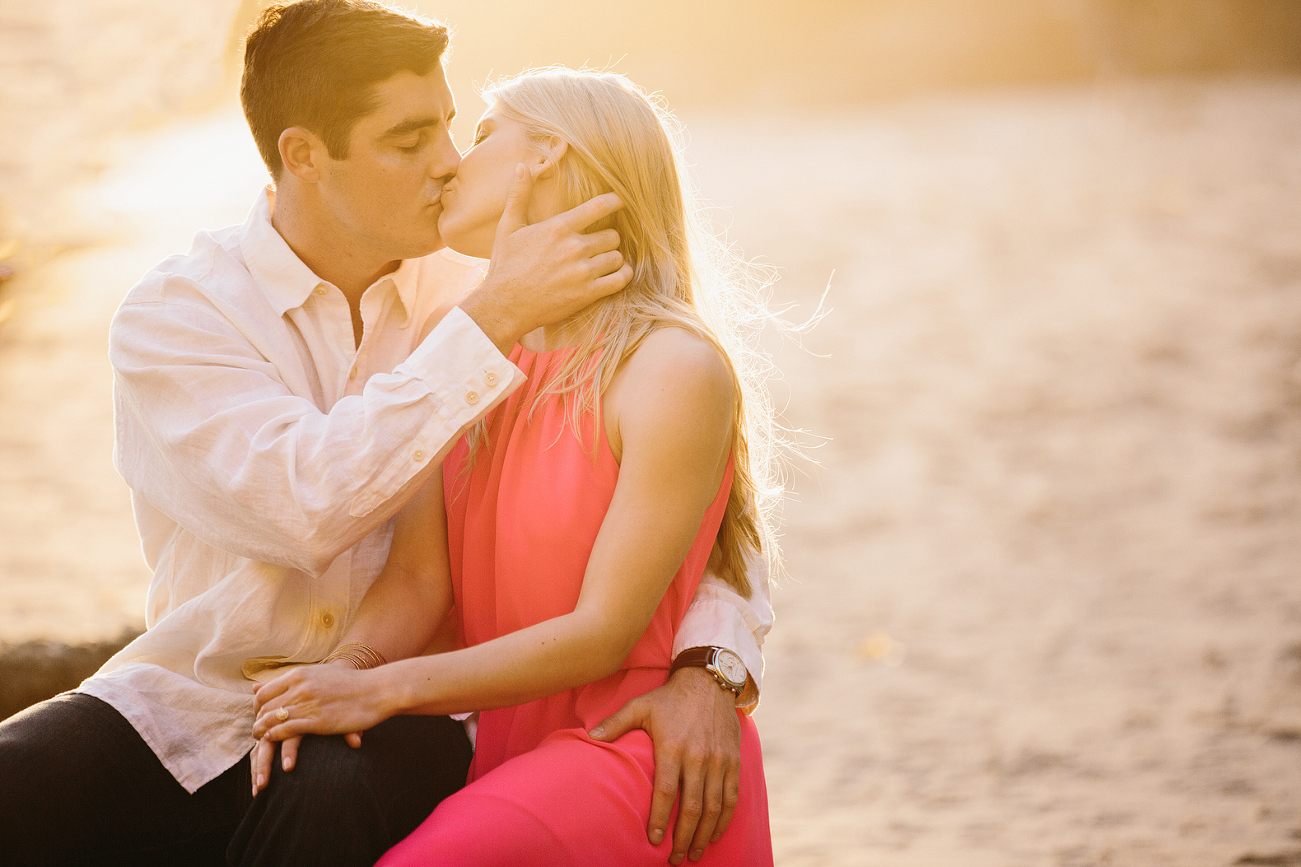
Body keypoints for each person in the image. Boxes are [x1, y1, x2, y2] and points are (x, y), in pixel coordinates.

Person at [0, 3, 771, 866]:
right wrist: (487, 320)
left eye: (451, 128)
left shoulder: (487, 285)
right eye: (409, 143)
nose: (446, 164)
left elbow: (692, 520)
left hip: (421, 711)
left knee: (328, 790)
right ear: (305, 156)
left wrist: (708, 668)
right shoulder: (181, 317)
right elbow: (304, 504)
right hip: (207, 693)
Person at [250, 67, 779, 866]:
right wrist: (338, 675)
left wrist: (382, 690)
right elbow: (421, 581)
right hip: (507, 757)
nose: (452, 161)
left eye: (483, 133)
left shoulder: (669, 366)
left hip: (628, 749)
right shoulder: (467, 358)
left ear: (546, 155)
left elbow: (605, 632)